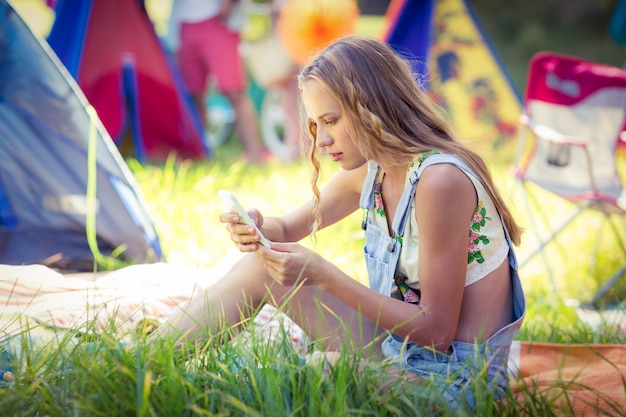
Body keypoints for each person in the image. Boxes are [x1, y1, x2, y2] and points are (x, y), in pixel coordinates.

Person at [155, 35, 526, 410]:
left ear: (374, 108)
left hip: (455, 385)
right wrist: (256, 228)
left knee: (323, 371)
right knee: (260, 266)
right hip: (399, 352)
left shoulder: (440, 181)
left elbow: (436, 331)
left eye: (331, 120)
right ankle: (143, 360)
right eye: (316, 124)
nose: (321, 140)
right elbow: (285, 229)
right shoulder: (373, 170)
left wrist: (325, 275)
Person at [170, 0, 268, 164]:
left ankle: (255, 157)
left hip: (220, 20)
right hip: (184, 23)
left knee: (235, 92)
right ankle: (200, 155)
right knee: (193, 96)